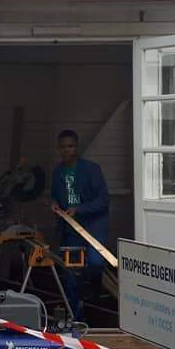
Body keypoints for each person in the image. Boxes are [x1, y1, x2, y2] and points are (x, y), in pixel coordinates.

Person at [50, 129, 109, 321]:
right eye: (63, 147)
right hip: (70, 229)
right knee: (71, 275)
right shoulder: (57, 172)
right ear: (59, 149)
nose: (67, 151)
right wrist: (54, 204)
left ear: (77, 147)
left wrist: (79, 209)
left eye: (70, 146)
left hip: (93, 226)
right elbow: (54, 196)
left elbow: (103, 201)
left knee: (95, 262)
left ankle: (94, 292)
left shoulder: (92, 169)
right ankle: (76, 318)